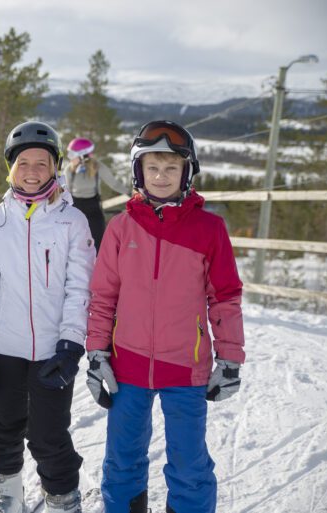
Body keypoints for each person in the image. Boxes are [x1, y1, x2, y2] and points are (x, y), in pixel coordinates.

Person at [85, 120, 245, 513]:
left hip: (185, 367)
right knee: (122, 460)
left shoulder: (210, 229)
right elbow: (103, 296)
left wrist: (229, 358)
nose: (161, 176)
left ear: (186, 173)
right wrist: (97, 353)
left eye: (171, 168)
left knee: (190, 464)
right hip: (127, 366)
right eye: (152, 168)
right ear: (139, 172)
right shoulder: (121, 228)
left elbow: (225, 296)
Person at [0, 121, 97, 513]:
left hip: (54, 350)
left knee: (49, 434)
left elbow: (79, 289)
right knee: (3, 428)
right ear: (10, 167)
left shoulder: (72, 221)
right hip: (4, 347)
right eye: (24, 162)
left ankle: (62, 499)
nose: (33, 170)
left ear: (56, 166)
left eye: (42, 162)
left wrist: (71, 346)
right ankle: (7, 495)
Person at [64, 137, 131, 252]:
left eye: (72, 154)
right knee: (74, 243)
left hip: (93, 208)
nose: (70, 158)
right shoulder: (69, 170)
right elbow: (66, 191)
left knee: (99, 242)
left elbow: (114, 184)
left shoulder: (97, 167)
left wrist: (130, 193)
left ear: (83, 156)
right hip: (76, 208)